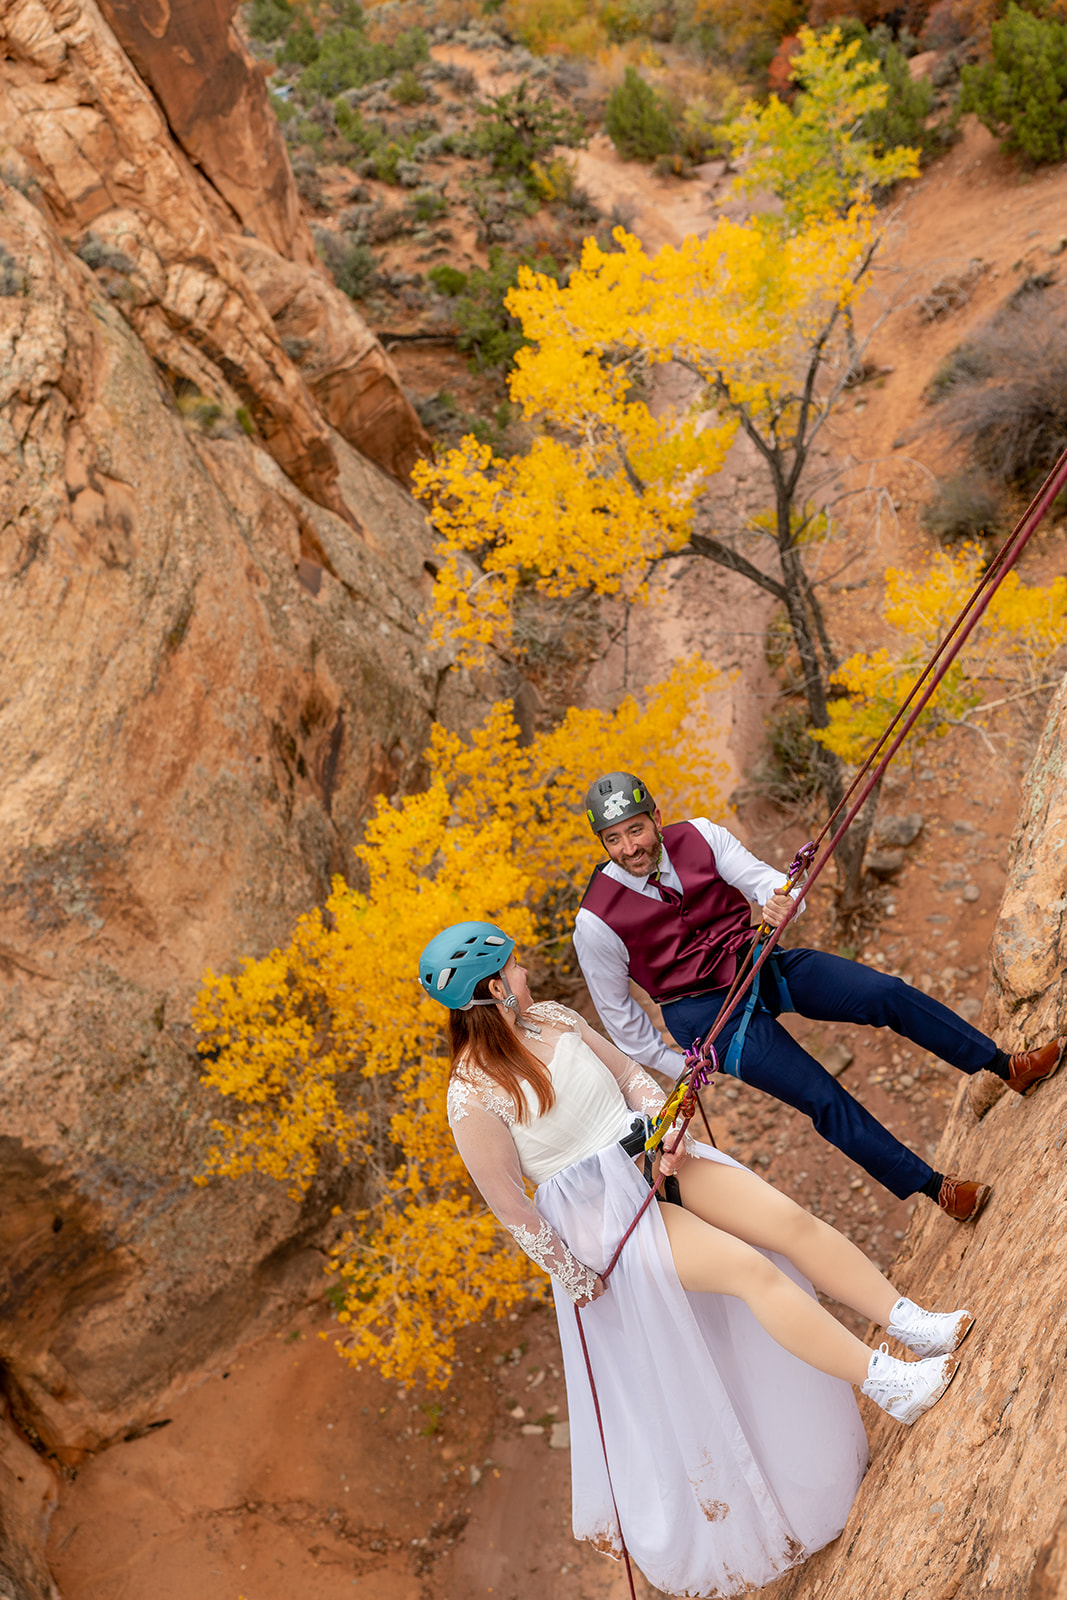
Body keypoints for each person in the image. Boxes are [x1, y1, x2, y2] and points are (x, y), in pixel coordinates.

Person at [422, 920, 975, 1599]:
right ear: (490, 989)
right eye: (511, 969)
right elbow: (512, 1206)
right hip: (605, 1218)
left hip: (654, 1156)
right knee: (749, 1271)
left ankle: (910, 1321)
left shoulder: (555, 1018)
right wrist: (578, 1276)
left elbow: (630, 1076)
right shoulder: (469, 1094)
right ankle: (888, 1383)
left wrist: (668, 1125)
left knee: (788, 1223)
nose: (524, 972)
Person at [574, 771, 1066, 1223]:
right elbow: (619, 1018)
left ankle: (1006, 1067)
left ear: (656, 819)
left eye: (636, 830)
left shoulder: (700, 835)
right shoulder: (596, 921)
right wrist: (676, 1059)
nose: (629, 847)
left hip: (756, 959)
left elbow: (768, 881)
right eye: (613, 839)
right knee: (821, 1096)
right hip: (705, 1015)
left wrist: (780, 901)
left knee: (883, 993)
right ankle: (936, 1188)